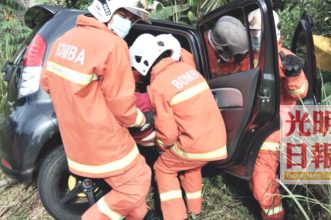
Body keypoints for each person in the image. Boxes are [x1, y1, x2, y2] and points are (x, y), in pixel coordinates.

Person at [40, 0, 155, 219]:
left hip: (75, 141)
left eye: (132, 19)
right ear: (106, 9)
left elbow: (47, 84)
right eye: (125, 15)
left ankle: (141, 216)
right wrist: (142, 120)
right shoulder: (112, 45)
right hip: (104, 140)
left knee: (123, 186)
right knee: (136, 181)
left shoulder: (63, 40)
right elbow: (122, 105)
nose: (127, 23)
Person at [130, 33, 227, 220]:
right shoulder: (187, 69)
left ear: (143, 63)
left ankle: (175, 216)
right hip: (217, 142)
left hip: (195, 144)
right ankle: (195, 212)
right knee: (191, 168)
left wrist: (159, 147)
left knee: (163, 168)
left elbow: (167, 134)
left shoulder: (158, 86)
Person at [248, 9, 309, 220]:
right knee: (256, 175)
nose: (257, 40)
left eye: (261, 35)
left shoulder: (286, 58)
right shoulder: (248, 56)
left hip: (273, 131)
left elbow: (300, 92)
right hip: (254, 127)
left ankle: (275, 216)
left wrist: (294, 75)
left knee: (262, 183)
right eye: (254, 34)